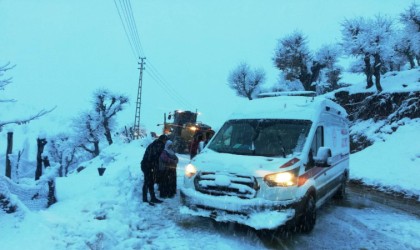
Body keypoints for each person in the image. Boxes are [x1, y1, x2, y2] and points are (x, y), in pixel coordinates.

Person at [141, 134, 168, 205]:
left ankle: (152, 198)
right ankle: (145, 200)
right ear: (163, 140)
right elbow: (154, 157)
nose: (166, 142)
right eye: (166, 140)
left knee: (151, 181)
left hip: (147, 165)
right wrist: (155, 167)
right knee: (147, 182)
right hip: (147, 165)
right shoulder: (159, 145)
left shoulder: (156, 143)